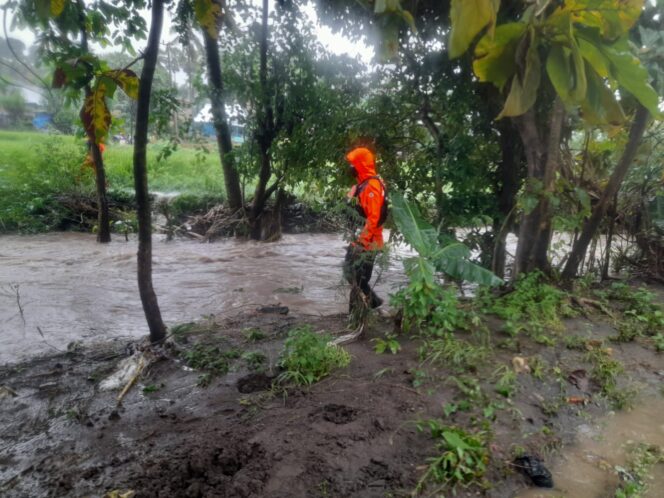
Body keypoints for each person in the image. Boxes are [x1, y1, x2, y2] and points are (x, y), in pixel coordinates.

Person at [343, 146, 388, 314]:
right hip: (361, 240)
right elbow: (351, 212)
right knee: (352, 274)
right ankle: (366, 308)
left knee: (358, 278)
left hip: (368, 243)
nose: (351, 167)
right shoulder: (364, 185)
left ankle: (366, 310)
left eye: (353, 164)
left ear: (361, 165)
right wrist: (350, 197)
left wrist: (361, 243)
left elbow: (373, 218)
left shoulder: (372, 186)